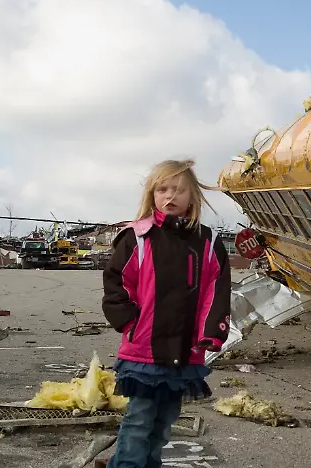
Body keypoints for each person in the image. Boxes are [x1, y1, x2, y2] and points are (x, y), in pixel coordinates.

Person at [97, 159, 232, 468]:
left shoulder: (208, 241)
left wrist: (212, 331)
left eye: (178, 190)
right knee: (139, 419)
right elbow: (117, 282)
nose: (170, 196)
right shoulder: (138, 237)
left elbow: (217, 290)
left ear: (192, 196)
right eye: (163, 190)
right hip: (144, 349)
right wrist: (128, 321)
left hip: (186, 351)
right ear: (152, 195)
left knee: (164, 421)